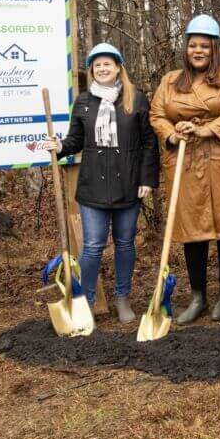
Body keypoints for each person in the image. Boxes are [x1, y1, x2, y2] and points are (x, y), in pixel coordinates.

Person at [149, 14, 220, 323]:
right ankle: (198, 295)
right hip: (186, 160)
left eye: (204, 46)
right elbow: (157, 113)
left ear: (215, 49)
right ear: (185, 49)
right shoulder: (169, 81)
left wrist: (206, 129)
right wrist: (172, 133)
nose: (198, 51)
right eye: (192, 45)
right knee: (192, 228)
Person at [40, 43, 159, 324]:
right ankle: (86, 302)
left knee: (125, 243)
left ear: (118, 67)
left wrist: (146, 179)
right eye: (97, 65)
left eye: (108, 64)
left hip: (128, 184)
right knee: (92, 246)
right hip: (93, 186)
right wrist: (59, 146)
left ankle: (122, 298)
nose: (102, 69)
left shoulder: (136, 99)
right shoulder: (83, 102)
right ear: (92, 70)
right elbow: (75, 141)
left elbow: (149, 143)